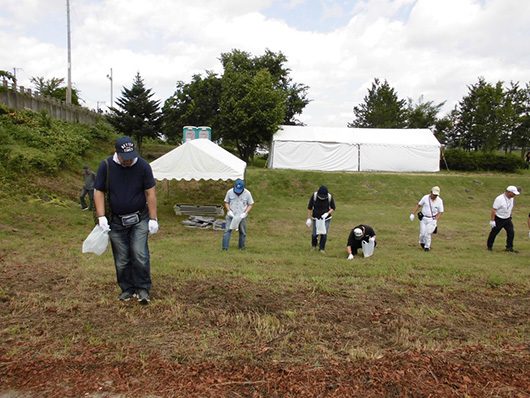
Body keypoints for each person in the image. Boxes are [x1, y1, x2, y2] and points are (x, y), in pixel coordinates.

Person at [93, 136, 158, 304]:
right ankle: (127, 289)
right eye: (125, 158)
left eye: (132, 157)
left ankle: (143, 288)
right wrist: (101, 216)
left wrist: (153, 218)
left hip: (139, 218)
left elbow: (150, 192)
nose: (129, 161)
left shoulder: (143, 166)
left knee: (139, 253)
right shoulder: (106, 166)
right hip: (115, 221)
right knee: (122, 258)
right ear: (117, 153)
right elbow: (98, 191)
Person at [222, 179, 254, 251]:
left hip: (241, 216)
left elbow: (250, 204)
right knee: (227, 231)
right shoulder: (229, 192)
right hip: (231, 215)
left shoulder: (247, 193)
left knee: (242, 232)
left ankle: (241, 247)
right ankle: (224, 248)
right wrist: (229, 210)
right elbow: (226, 202)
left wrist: (245, 213)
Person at [409, 186, 444, 252]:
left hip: (432, 219)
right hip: (423, 219)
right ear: (431, 192)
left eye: (436, 195)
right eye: (434, 194)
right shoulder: (425, 198)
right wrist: (412, 213)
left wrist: (435, 220)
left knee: (427, 233)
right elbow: (418, 205)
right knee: (422, 233)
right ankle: (421, 242)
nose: (435, 196)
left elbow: (440, 212)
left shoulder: (439, 201)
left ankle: (427, 247)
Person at [487, 185, 520, 252]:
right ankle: (489, 246)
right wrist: (492, 220)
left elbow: (510, 207)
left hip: (507, 219)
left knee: (511, 232)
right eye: (513, 194)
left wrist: (510, 215)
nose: (514, 195)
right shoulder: (499, 199)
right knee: (494, 233)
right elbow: (494, 210)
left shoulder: (512, 198)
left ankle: (509, 247)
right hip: (499, 218)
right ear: (509, 192)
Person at [306, 185, 336, 253]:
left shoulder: (329, 197)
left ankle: (322, 248)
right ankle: (314, 246)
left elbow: (333, 208)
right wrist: (308, 218)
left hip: (326, 219)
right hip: (315, 218)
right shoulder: (314, 196)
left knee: (324, 233)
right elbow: (309, 207)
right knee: (314, 233)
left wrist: (327, 213)